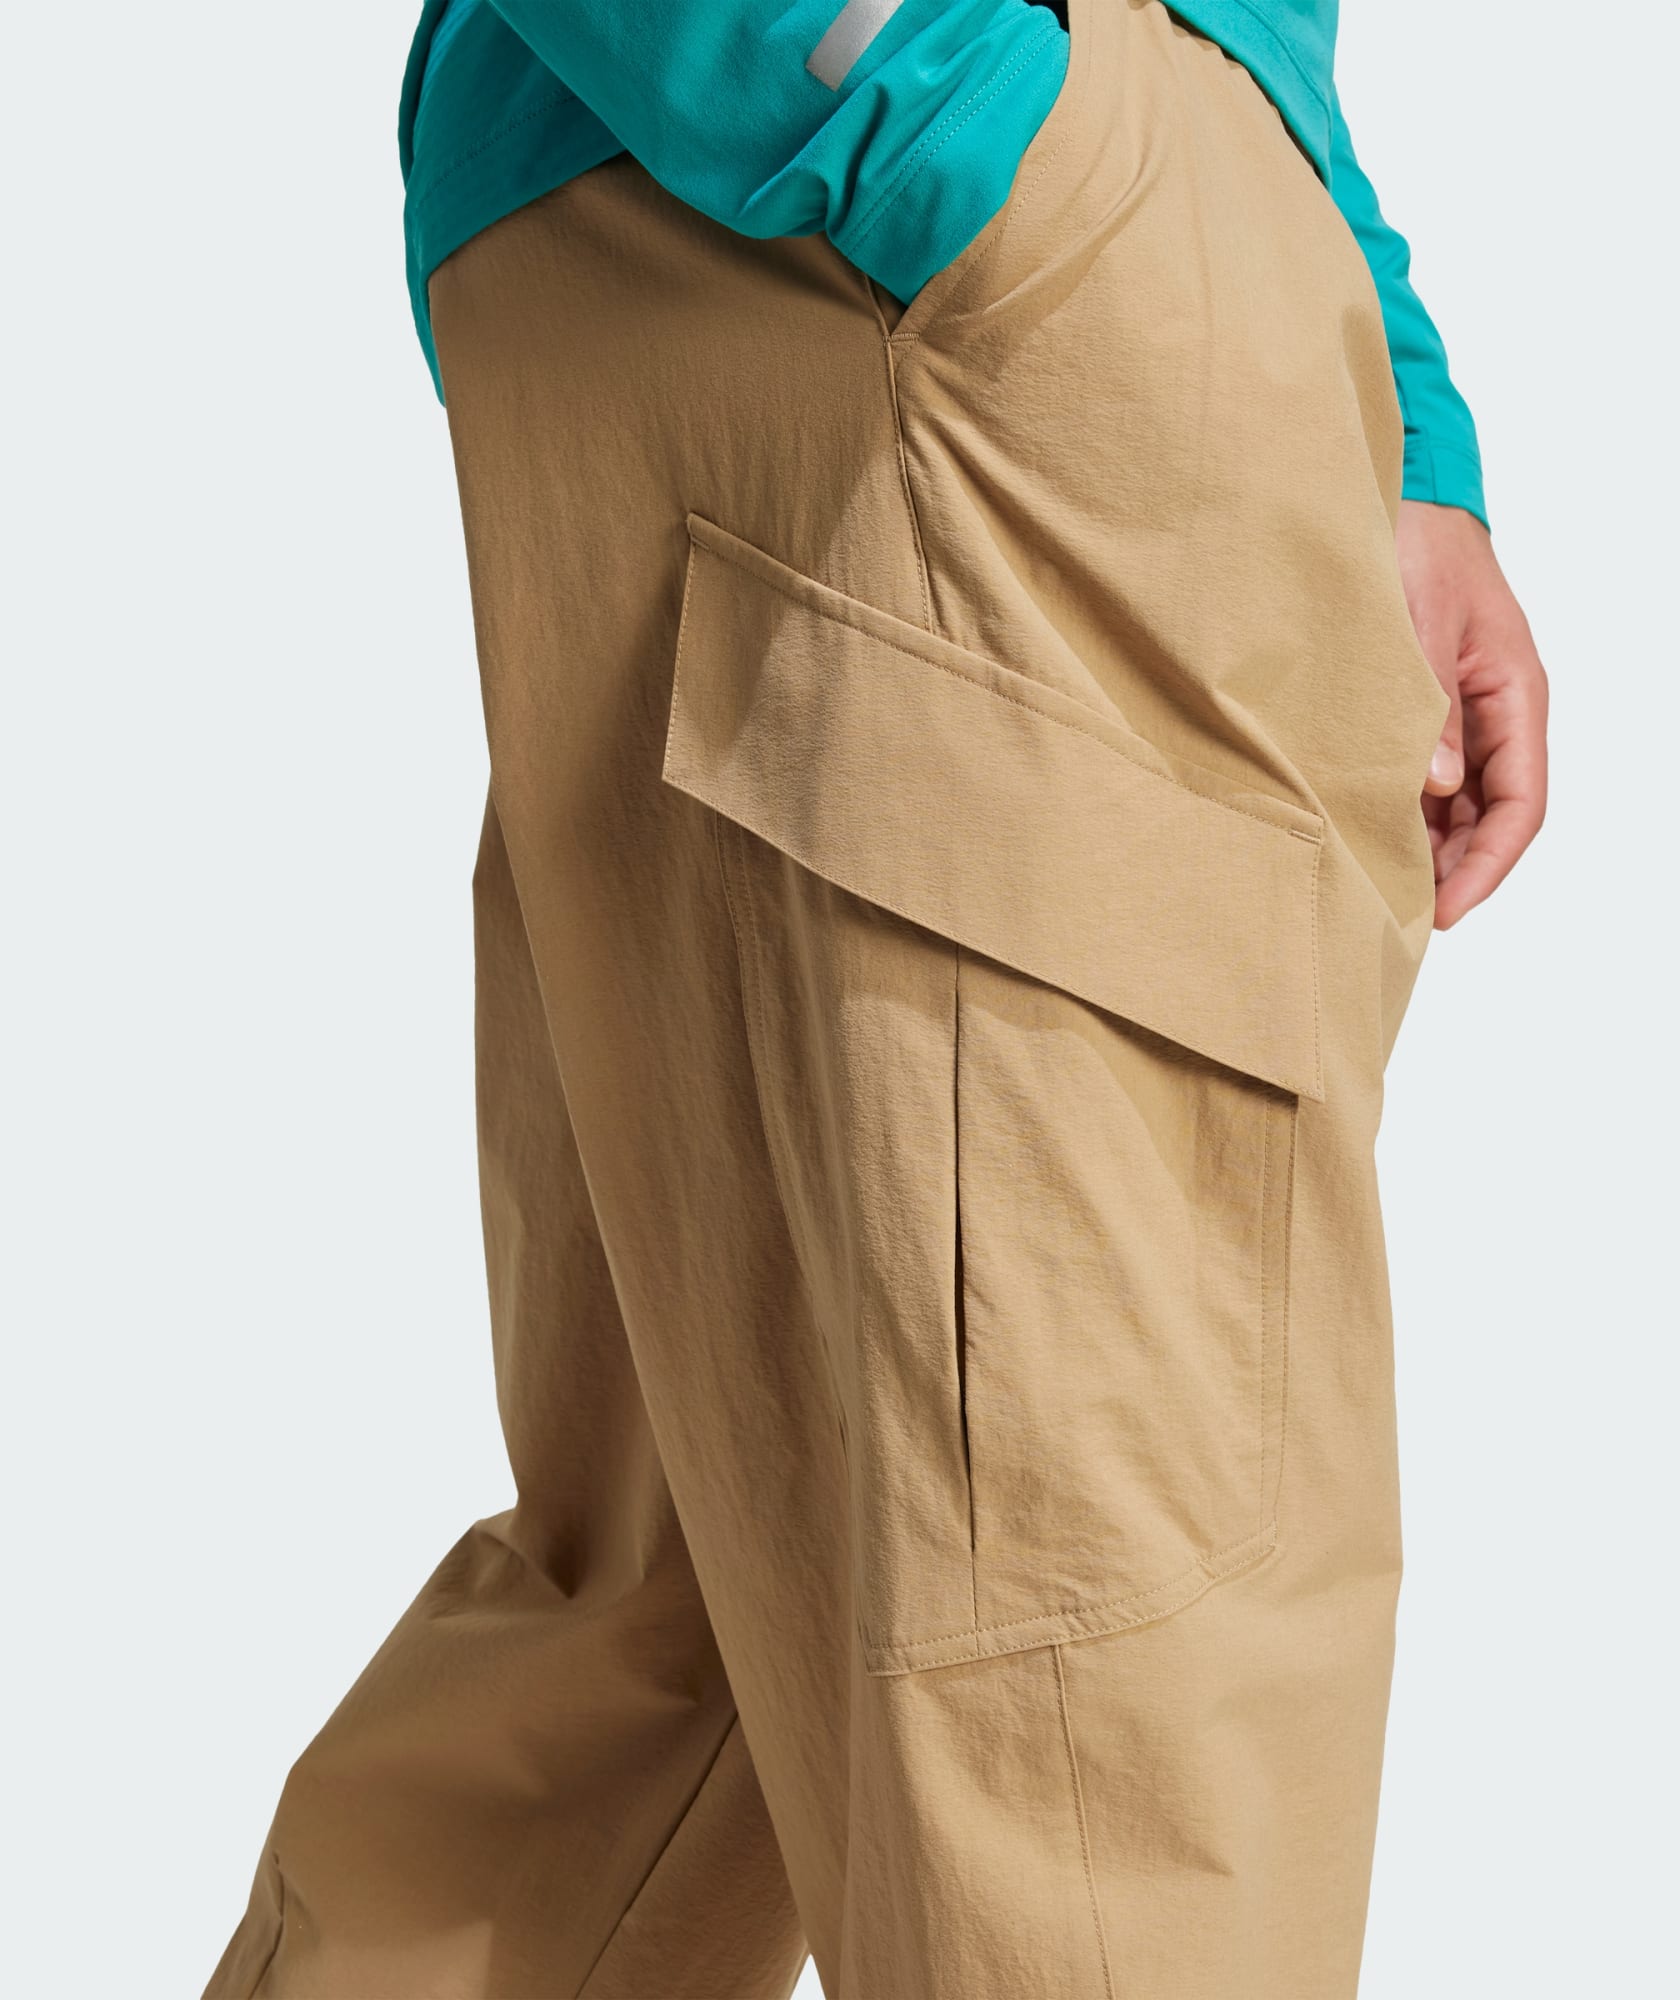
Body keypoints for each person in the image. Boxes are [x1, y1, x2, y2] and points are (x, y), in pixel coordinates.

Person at [205, 1, 1549, 1993]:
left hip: (848, 216)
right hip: (913, 238)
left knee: (669, 1644)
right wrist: (928, 96)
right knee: (1100, 1708)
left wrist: (1390, 408)